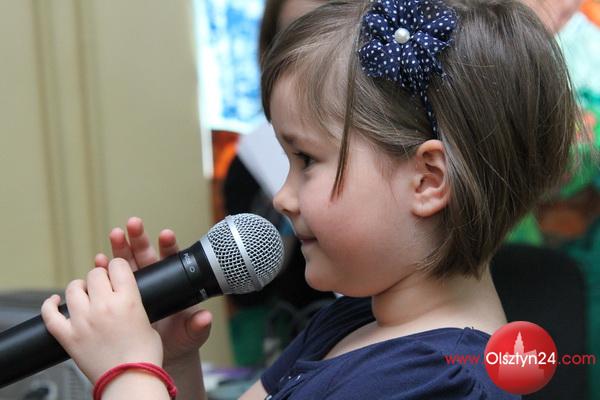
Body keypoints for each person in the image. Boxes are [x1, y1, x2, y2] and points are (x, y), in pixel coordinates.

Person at [40, 0, 582, 398]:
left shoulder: (437, 382)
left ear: (427, 181)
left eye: (306, 160)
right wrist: (169, 361)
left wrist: (127, 373)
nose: (282, 197)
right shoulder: (353, 321)